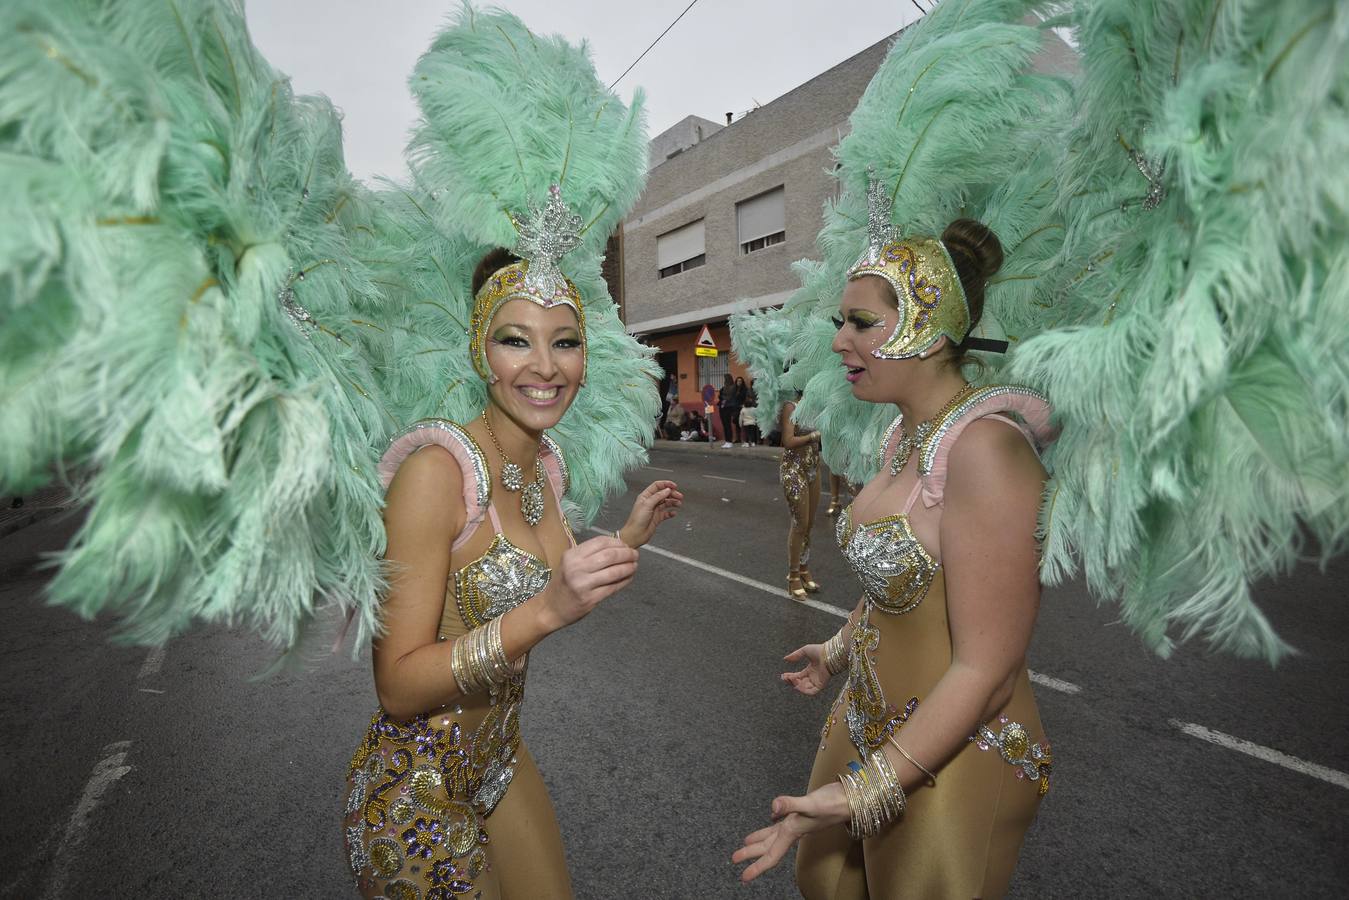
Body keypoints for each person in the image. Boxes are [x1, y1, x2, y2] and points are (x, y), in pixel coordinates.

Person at [345, 243, 684, 899]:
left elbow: (541, 580)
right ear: (481, 352)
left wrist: (625, 539)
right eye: (515, 340)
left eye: (564, 342)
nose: (544, 367)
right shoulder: (435, 474)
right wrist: (547, 612)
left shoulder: (544, 469)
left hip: (498, 757)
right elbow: (396, 685)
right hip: (414, 786)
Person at [735, 216, 1056, 898]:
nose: (838, 341)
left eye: (859, 323)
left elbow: (988, 668)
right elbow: (900, 586)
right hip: (865, 720)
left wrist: (863, 793)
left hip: (958, 750)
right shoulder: (904, 437)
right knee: (821, 883)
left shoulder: (988, 452)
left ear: (928, 327)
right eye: (839, 321)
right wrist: (838, 648)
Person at [780, 391, 822, 599]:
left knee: (810, 523)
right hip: (793, 469)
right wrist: (814, 436)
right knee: (800, 523)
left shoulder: (817, 407)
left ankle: (804, 570)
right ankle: (793, 576)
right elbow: (788, 441)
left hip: (814, 468)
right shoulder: (791, 406)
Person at [718, 373, 743, 448]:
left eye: (726, 378)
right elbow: (721, 395)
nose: (725, 380)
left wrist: (723, 397)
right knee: (724, 424)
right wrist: (722, 397)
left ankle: (729, 441)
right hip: (722, 407)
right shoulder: (724, 387)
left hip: (729, 407)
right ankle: (727, 440)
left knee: (727, 424)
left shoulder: (733, 387)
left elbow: (730, 396)